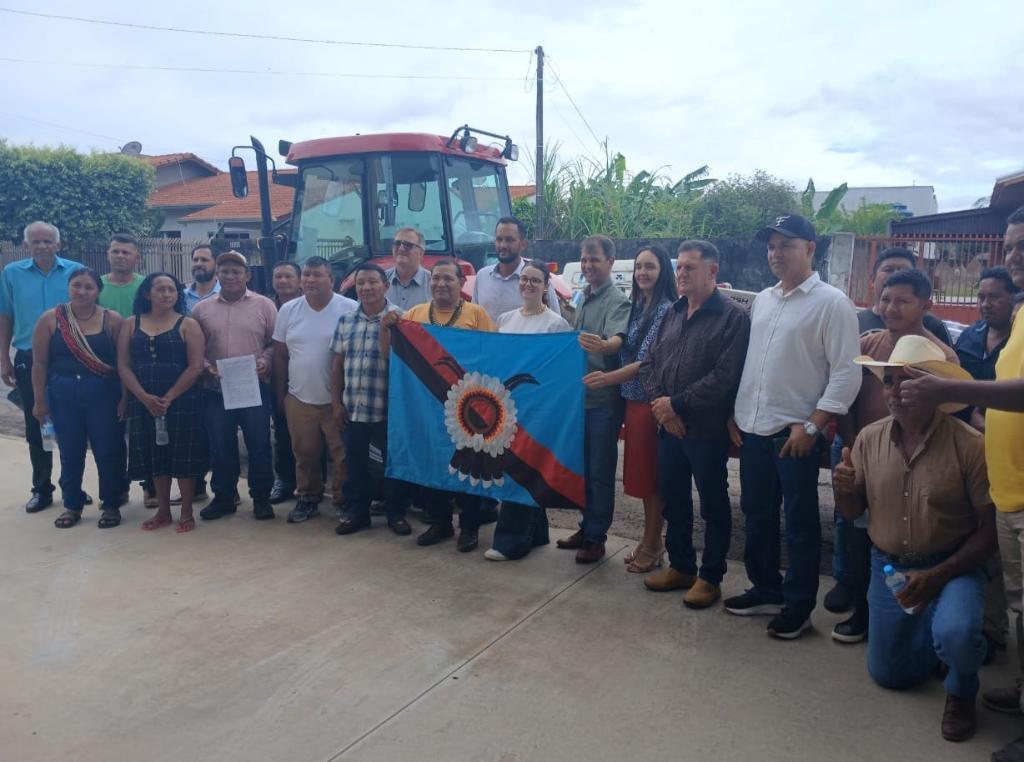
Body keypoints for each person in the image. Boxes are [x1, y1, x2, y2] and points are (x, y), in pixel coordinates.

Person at [896, 207, 1024, 762]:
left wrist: (949, 392)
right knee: (1019, 605)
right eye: (1010, 245)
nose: (1014, 256)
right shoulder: (1022, 314)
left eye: (1023, 246)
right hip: (1011, 489)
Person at [834, 336, 994, 742]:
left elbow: (991, 530)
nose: (895, 391)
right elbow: (853, 514)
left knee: (956, 635)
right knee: (890, 675)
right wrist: (843, 490)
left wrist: (938, 576)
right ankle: (942, 640)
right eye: (889, 381)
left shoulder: (970, 445)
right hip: (890, 567)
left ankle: (961, 686)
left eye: (909, 381)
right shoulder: (869, 438)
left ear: (935, 389)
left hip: (953, 565)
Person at [726, 213, 861, 640]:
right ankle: (766, 589)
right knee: (756, 514)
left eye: (786, 245)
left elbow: (847, 372)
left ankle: (799, 606)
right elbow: (753, 362)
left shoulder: (832, 303)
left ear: (810, 249)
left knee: (800, 524)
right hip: (753, 428)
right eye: (772, 246)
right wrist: (735, 411)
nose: (776, 253)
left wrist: (815, 425)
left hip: (795, 434)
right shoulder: (764, 300)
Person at [832, 269, 961, 644]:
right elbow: (847, 398)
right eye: (886, 300)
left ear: (926, 305)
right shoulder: (868, 345)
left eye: (903, 301)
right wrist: (855, 445)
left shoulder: (941, 356)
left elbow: (949, 416)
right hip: (867, 457)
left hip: (917, 462)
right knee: (860, 537)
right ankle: (863, 612)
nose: (891, 308)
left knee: (907, 541)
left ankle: (919, 624)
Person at [635, 240, 750, 608]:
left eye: (690, 267)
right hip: (669, 428)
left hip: (705, 431)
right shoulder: (673, 312)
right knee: (674, 501)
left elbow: (724, 377)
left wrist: (676, 405)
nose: (681, 274)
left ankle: (711, 577)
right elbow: (649, 364)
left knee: (713, 505)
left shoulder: (733, 318)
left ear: (712, 271)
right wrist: (662, 408)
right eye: (679, 267)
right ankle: (681, 566)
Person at [583, 244, 676, 573]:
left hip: (649, 401)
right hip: (631, 400)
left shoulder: (665, 309)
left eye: (650, 267)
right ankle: (650, 540)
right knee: (641, 476)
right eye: (638, 267)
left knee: (651, 478)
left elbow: (645, 361)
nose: (642, 273)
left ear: (663, 271)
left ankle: (653, 543)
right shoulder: (639, 305)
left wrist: (607, 378)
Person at [399, 258, 496, 551]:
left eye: (448, 279)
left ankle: (469, 527)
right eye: (436, 278)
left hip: (467, 407)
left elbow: (492, 355)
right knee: (432, 462)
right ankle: (439, 522)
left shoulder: (476, 314)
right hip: (427, 405)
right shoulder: (414, 315)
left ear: (461, 283)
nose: (440, 284)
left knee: (467, 466)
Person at [484, 260, 571, 561]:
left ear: (546, 286)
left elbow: (559, 371)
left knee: (521, 470)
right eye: (524, 279)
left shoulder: (555, 324)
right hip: (509, 407)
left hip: (539, 408)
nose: (528, 284)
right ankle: (536, 533)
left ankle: (511, 541)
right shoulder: (505, 319)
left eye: (535, 280)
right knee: (518, 468)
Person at [30, 269, 126, 528]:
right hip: (63, 394)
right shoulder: (51, 319)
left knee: (108, 450)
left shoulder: (112, 320)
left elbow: (124, 364)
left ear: (98, 291)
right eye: (77, 285)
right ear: (69, 287)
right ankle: (72, 505)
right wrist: (39, 401)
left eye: (89, 287)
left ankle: (111, 504)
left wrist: (125, 398)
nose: (82, 291)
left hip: (104, 394)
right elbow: (39, 363)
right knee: (70, 452)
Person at [556, 235, 632, 564]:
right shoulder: (582, 296)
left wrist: (604, 345)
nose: (588, 265)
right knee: (583, 469)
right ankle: (585, 527)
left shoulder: (617, 300)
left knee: (600, 472)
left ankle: (596, 538)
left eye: (595, 260)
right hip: (579, 400)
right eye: (584, 260)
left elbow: (617, 340)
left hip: (603, 401)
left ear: (610, 262)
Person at [0, 221, 83, 512]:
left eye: (48, 241)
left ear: (58, 244)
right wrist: (3, 358)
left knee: (73, 424)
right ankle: (42, 488)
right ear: (27, 245)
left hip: (69, 356)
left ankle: (73, 486)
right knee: (37, 422)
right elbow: (5, 317)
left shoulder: (76, 271)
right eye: (36, 242)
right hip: (28, 357)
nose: (42, 246)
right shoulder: (11, 274)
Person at [191, 252, 278, 521]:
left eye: (236, 271)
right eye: (225, 271)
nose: (230, 276)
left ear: (247, 275)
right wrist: (206, 367)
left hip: (253, 388)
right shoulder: (201, 309)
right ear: (217, 275)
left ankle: (261, 498)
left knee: (259, 444)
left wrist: (265, 361)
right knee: (221, 446)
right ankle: (224, 497)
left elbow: (275, 343)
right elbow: (194, 347)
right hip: (215, 390)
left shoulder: (265, 306)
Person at [117, 273, 207, 533]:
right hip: (144, 401)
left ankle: (187, 511)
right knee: (155, 454)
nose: (167, 294)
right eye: (160, 289)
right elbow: (123, 365)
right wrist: (142, 397)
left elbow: (195, 366)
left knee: (183, 454)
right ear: (147, 293)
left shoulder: (188, 324)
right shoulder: (131, 324)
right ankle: (163, 511)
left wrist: (169, 397)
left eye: (172, 290)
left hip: (182, 399)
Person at [272, 256, 357, 524]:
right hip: (299, 398)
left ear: (331, 280)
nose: (310, 280)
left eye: (317, 275)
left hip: (338, 400)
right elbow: (280, 355)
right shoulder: (288, 310)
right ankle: (308, 497)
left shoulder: (349, 308)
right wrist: (281, 395)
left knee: (342, 455)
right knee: (304, 453)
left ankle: (343, 500)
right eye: (306, 275)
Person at [330, 262, 410, 536]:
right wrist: (336, 404)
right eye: (361, 283)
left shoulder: (401, 319)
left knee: (393, 465)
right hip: (354, 408)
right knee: (355, 465)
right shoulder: (346, 320)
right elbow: (337, 366)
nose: (366, 287)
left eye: (372, 282)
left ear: (385, 286)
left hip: (388, 409)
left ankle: (396, 514)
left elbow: (405, 366)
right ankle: (357, 514)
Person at [955, 266, 1019, 429]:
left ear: (1014, 299)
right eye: (981, 297)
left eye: (994, 297)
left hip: (1001, 433)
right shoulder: (968, 335)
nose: (985, 305)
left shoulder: (1018, 342)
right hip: (958, 431)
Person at [472, 216, 559, 322]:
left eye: (509, 240)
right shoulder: (482, 277)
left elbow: (556, 323)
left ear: (523, 244)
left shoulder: (537, 281)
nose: (503, 245)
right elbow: (473, 319)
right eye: (499, 239)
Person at [269, 261, 303, 503]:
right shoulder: (264, 306)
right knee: (282, 432)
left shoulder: (311, 304)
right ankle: (284, 480)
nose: (282, 281)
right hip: (276, 377)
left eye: (288, 276)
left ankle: (313, 484)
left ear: (299, 280)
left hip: (307, 379)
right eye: (278, 277)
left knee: (313, 439)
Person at [383, 228, 432, 309]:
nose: (401, 248)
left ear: (421, 253)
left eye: (408, 245)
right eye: (397, 244)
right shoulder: (380, 280)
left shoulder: (433, 283)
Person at [99, 234, 146, 318]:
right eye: (115, 252)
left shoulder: (146, 285)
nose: (120, 256)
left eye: (125, 252)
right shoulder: (96, 285)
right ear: (108, 256)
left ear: (137, 258)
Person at [183, 244, 220, 314]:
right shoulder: (183, 297)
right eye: (195, 260)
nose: (198, 264)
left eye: (204, 260)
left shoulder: (225, 295)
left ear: (216, 265)